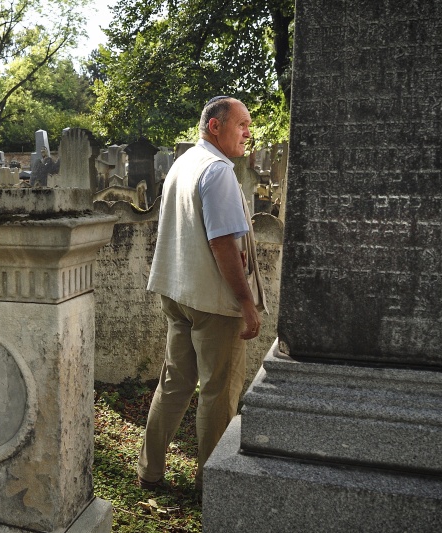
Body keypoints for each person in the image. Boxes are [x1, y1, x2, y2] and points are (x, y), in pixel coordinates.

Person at [137, 96, 267, 494]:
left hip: (179, 293)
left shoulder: (185, 163)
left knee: (175, 382)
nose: (249, 132)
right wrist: (246, 304)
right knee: (219, 391)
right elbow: (224, 244)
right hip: (213, 302)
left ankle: (150, 470)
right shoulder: (217, 171)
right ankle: (213, 484)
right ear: (215, 126)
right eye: (242, 124)